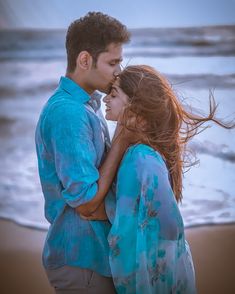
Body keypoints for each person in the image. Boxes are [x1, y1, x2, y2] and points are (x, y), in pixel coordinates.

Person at [85, 65, 234, 293]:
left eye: (114, 94)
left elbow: (171, 225)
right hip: (136, 269)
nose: (106, 98)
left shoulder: (144, 158)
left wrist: (151, 266)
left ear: (136, 108)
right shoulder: (132, 153)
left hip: (158, 275)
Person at [35, 12, 130, 293]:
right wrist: (123, 139)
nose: (118, 72)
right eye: (113, 62)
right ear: (85, 60)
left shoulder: (88, 105)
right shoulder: (69, 113)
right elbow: (86, 203)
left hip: (92, 256)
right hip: (81, 261)